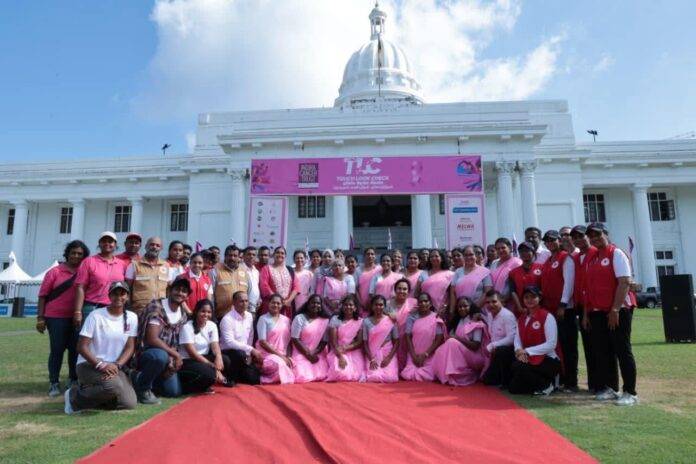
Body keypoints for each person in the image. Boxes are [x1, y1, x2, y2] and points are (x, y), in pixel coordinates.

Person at [584, 222, 638, 406]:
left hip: (617, 310)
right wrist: (588, 312)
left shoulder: (616, 253)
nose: (594, 238)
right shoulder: (593, 258)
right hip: (598, 312)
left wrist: (615, 309)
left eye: (598, 234)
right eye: (591, 236)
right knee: (604, 351)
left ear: (606, 234)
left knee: (622, 350)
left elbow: (624, 282)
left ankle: (630, 392)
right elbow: (590, 287)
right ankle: (611, 388)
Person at [64, 281, 138, 414]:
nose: (118, 297)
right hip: (89, 364)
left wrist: (117, 365)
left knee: (129, 403)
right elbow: (81, 347)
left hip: (113, 367)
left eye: (122, 294)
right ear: (109, 296)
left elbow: (130, 347)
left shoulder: (132, 317)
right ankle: (73, 397)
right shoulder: (96, 316)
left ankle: (97, 396)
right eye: (115, 294)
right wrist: (101, 365)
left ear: (127, 296)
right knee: (113, 387)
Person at [37, 240, 90, 397]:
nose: (76, 256)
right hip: (56, 317)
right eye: (73, 253)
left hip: (77, 317)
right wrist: (40, 318)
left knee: (75, 350)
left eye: (80, 254)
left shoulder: (85, 271)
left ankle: (73, 379)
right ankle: (54, 382)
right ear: (67, 254)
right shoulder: (55, 272)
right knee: (57, 350)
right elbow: (42, 296)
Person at [134, 279, 190, 404]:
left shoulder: (183, 314)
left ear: (187, 296)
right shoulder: (156, 307)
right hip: (148, 353)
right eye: (177, 289)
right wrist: (175, 355)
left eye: (184, 291)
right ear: (169, 290)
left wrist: (172, 359)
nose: (180, 293)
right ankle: (142, 388)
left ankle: (147, 380)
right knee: (159, 357)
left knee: (173, 392)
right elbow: (152, 339)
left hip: (167, 355)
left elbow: (176, 341)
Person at [540, 230, 576, 391]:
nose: (550, 243)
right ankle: (560, 378)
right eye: (547, 241)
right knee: (557, 345)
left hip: (564, 309)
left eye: (552, 240)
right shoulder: (548, 260)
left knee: (568, 346)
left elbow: (569, 283)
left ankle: (571, 381)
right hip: (550, 309)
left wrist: (563, 304)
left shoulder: (565, 258)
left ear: (559, 241)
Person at [509, 286, 560, 396]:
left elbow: (551, 344)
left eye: (533, 297)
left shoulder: (547, 316)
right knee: (514, 389)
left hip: (548, 359)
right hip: (528, 357)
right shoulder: (521, 318)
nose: (529, 300)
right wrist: (519, 351)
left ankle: (547, 384)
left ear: (539, 298)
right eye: (526, 297)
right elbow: (517, 339)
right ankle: (538, 383)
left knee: (518, 366)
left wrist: (527, 351)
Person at [432, 296, 490, 386]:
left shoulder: (476, 321)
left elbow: (475, 346)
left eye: (465, 306)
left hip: (475, 356)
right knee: (441, 349)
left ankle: (459, 375)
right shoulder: (458, 321)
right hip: (462, 354)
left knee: (452, 342)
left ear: (470, 306)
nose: (462, 309)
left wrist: (457, 339)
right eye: (460, 307)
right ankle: (448, 375)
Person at [74, 231, 127, 328]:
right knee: (88, 335)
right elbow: (80, 287)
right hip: (92, 306)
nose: (107, 243)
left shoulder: (122, 264)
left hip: (114, 306)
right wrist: (77, 311)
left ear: (115, 245)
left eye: (110, 241)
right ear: (99, 244)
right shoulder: (89, 261)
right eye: (104, 241)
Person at [570, 225, 600, 393]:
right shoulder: (576, 257)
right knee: (588, 346)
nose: (578, 240)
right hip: (581, 306)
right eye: (575, 238)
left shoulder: (596, 253)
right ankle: (593, 383)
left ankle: (602, 383)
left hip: (595, 306)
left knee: (598, 346)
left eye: (581, 236)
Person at [178, 299, 231, 393]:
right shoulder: (187, 327)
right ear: (196, 312)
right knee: (210, 375)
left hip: (203, 357)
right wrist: (213, 366)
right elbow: (193, 354)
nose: (206, 314)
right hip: (188, 360)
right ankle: (189, 386)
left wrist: (218, 357)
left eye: (209, 312)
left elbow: (215, 345)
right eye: (203, 311)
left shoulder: (212, 325)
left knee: (225, 360)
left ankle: (209, 380)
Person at [219, 291, 262, 385]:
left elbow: (250, 336)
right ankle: (229, 376)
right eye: (241, 301)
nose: (244, 304)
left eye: (246, 301)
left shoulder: (249, 316)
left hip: (244, 353)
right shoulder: (227, 319)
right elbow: (230, 342)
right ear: (234, 302)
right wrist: (250, 349)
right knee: (239, 354)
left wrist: (249, 353)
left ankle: (239, 375)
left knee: (254, 379)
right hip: (228, 352)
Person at [401, 293, 446, 381]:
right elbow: (408, 337)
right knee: (407, 374)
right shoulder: (411, 317)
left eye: (426, 301)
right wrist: (413, 356)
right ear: (418, 304)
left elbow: (439, 339)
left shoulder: (436, 317)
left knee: (430, 375)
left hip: (430, 354)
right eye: (421, 302)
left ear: (430, 303)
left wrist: (425, 355)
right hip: (414, 353)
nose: (423, 303)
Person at [481, 290, 517, 388]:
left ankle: (507, 380)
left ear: (501, 301)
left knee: (502, 350)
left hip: (509, 353)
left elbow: (512, 338)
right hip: (496, 354)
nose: (490, 305)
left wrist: (492, 345)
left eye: (494, 301)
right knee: (487, 380)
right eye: (487, 302)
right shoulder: (489, 315)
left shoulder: (508, 316)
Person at [125, 237, 171, 315]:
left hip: (160, 311)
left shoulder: (166, 266)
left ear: (161, 248)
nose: (154, 247)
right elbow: (127, 289)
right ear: (146, 246)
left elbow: (169, 290)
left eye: (158, 245)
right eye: (152, 244)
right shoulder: (134, 265)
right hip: (140, 311)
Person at [256, 294, 295, 384]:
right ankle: (265, 378)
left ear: (282, 305)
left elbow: (289, 341)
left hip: (283, 354)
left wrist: (288, 357)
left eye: (278, 303)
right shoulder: (263, 319)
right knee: (278, 364)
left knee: (293, 365)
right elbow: (262, 342)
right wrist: (280, 356)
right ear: (269, 303)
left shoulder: (286, 320)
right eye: (273, 302)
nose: (275, 305)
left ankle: (279, 376)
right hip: (267, 354)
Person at [326, 294, 365, 382]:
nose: (348, 307)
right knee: (340, 373)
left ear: (355, 308)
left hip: (353, 350)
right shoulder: (335, 319)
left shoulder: (360, 321)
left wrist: (346, 348)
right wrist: (340, 356)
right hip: (337, 350)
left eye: (351, 305)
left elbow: (359, 342)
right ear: (342, 306)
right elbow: (333, 342)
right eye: (346, 305)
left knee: (356, 375)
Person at [290, 295, 330, 383]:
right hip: (300, 351)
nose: (315, 305)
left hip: (317, 352)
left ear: (321, 306)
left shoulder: (325, 321)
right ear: (308, 304)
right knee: (301, 375)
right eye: (313, 303)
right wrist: (308, 354)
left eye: (318, 303)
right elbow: (295, 338)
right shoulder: (299, 318)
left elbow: (324, 341)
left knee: (322, 375)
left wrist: (314, 353)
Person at [363, 295, 399, 383]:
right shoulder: (366, 321)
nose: (378, 307)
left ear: (384, 306)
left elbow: (396, 342)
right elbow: (365, 343)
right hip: (372, 354)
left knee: (391, 378)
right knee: (373, 377)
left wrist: (389, 358)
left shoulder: (390, 320)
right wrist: (371, 359)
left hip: (388, 353)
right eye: (376, 304)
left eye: (381, 305)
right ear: (372, 306)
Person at [209, 245, 250, 320]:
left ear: (239, 257)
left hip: (242, 316)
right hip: (221, 316)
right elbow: (210, 295)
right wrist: (212, 314)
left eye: (235, 256)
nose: (232, 258)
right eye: (230, 255)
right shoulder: (215, 271)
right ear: (225, 256)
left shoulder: (245, 272)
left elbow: (249, 293)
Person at [450, 245, 492, 315]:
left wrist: (473, 309)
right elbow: (453, 293)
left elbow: (487, 292)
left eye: (471, 254)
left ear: (476, 256)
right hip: (461, 311)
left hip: (478, 311)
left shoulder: (485, 272)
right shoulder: (458, 271)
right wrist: (452, 311)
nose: (468, 257)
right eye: (466, 255)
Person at [259, 246, 299, 318]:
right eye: (277, 252)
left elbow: (296, 286)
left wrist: (289, 300)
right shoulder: (266, 269)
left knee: (285, 324)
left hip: (286, 306)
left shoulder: (290, 270)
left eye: (282, 253)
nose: (280, 255)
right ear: (273, 255)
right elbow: (264, 285)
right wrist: (277, 300)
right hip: (271, 305)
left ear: (285, 256)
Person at [386, 278, 417, 369]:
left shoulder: (414, 303)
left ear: (408, 291)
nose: (402, 291)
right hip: (392, 337)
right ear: (395, 290)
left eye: (404, 289)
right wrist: (387, 315)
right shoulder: (387, 304)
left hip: (408, 337)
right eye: (399, 288)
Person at [508, 242, 543, 316]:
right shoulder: (513, 272)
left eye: (527, 250)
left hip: (539, 308)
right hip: (521, 310)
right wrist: (519, 307)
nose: (524, 253)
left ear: (533, 253)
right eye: (521, 251)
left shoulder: (542, 268)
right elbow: (513, 291)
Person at [417, 249, 454, 320]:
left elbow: (452, 294)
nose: (434, 258)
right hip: (425, 309)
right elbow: (417, 293)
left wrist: (446, 307)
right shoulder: (423, 274)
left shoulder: (450, 274)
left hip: (443, 310)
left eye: (436, 256)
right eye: (431, 256)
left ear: (442, 258)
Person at [356, 247, 382, 312]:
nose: (370, 256)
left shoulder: (379, 269)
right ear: (364, 256)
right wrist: (361, 303)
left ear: (375, 256)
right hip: (361, 304)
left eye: (372, 254)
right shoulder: (358, 270)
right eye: (368, 254)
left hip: (377, 303)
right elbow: (356, 289)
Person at [293, 250, 314, 314]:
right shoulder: (291, 272)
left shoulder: (309, 274)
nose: (299, 260)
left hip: (305, 300)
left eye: (301, 258)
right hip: (292, 299)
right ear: (294, 259)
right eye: (297, 258)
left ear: (305, 259)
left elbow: (312, 289)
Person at [242, 246, 261, 315]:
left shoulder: (256, 271)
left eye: (253, 255)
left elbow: (257, 287)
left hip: (255, 307)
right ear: (243, 256)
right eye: (249, 254)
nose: (251, 256)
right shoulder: (239, 270)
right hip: (243, 306)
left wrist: (259, 299)